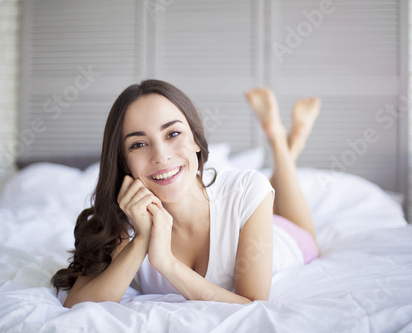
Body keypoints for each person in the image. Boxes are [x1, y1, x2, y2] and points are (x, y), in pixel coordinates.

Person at [51, 79, 321, 307]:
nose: (161, 156)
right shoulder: (125, 221)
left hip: (281, 236)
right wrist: (141, 240)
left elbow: (252, 306)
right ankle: (287, 146)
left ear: (195, 138)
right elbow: (78, 303)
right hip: (241, 216)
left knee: (305, 232)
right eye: (139, 144)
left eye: (173, 134)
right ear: (123, 162)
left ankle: (278, 139)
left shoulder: (248, 188)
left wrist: (166, 263)